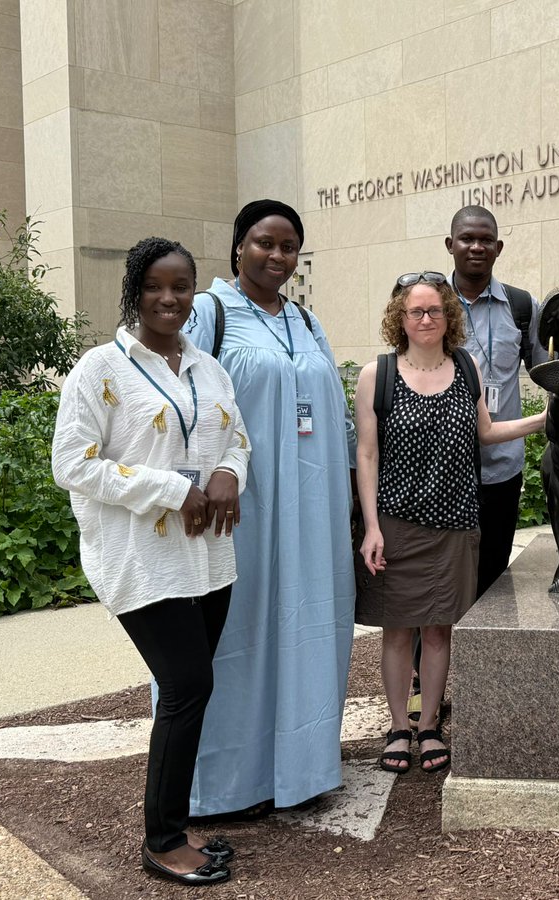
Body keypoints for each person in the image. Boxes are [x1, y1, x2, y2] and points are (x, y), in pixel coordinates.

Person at [51, 237, 250, 886]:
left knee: (191, 691)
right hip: (142, 558)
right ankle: (162, 841)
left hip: (208, 557)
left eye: (183, 286)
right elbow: (72, 465)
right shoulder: (100, 369)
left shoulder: (206, 367)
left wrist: (227, 472)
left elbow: (237, 437)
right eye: (156, 285)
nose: (171, 298)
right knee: (187, 686)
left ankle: (175, 824)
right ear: (135, 289)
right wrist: (172, 489)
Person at [184, 199, 355, 815]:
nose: (277, 256)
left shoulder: (306, 323)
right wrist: (198, 482)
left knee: (306, 624)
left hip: (312, 507)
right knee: (237, 630)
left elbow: (331, 414)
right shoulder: (209, 312)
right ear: (238, 247)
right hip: (240, 507)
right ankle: (228, 783)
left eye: (289, 247)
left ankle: (301, 768)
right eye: (265, 243)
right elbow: (181, 400)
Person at [353, 272, 546, 774]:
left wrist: (544, 420)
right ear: (400, 317)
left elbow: (486, 432)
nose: (425, 319)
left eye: (434, 311)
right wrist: (371, 527)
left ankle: (432, 724)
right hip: (396, 523)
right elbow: (367, 455)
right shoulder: (379, 375)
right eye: (415, 311)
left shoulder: (467, 367)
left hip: (456, 522)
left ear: (448, 317)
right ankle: (400, 727)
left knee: (439, 631)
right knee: (398, 631)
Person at [445, 205, 547, 599]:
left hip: (501, 469)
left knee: (493, 580)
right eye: (467, 239)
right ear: (450, 244)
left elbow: (548, 370)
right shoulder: (430, 307)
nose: (476, 247)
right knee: (439, 580)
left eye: (486, 240)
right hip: (444, 470)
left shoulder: (522, 308)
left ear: (499, 247)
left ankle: (484, 660)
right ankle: (428, 661)